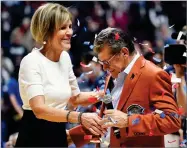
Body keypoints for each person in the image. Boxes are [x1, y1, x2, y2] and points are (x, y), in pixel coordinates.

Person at [69, 27, 181, 147]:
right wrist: (72, 136)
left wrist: (129, 121)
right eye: (102, 63)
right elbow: (110, 120)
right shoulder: (113, 73)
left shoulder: (153, 74)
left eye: (107, 62)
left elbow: (172, 120)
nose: (104, 68)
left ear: (124, 52)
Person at [15, 3, 106, 147]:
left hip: (58, 136)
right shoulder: (31, 61)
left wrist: (105, 94)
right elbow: (39, 109)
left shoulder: (64, 57)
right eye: (63, 28)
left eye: (70, 26)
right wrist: (80, 117)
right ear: (47, 31)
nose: (69, 32)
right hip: (34, 139)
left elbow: (75, 98)